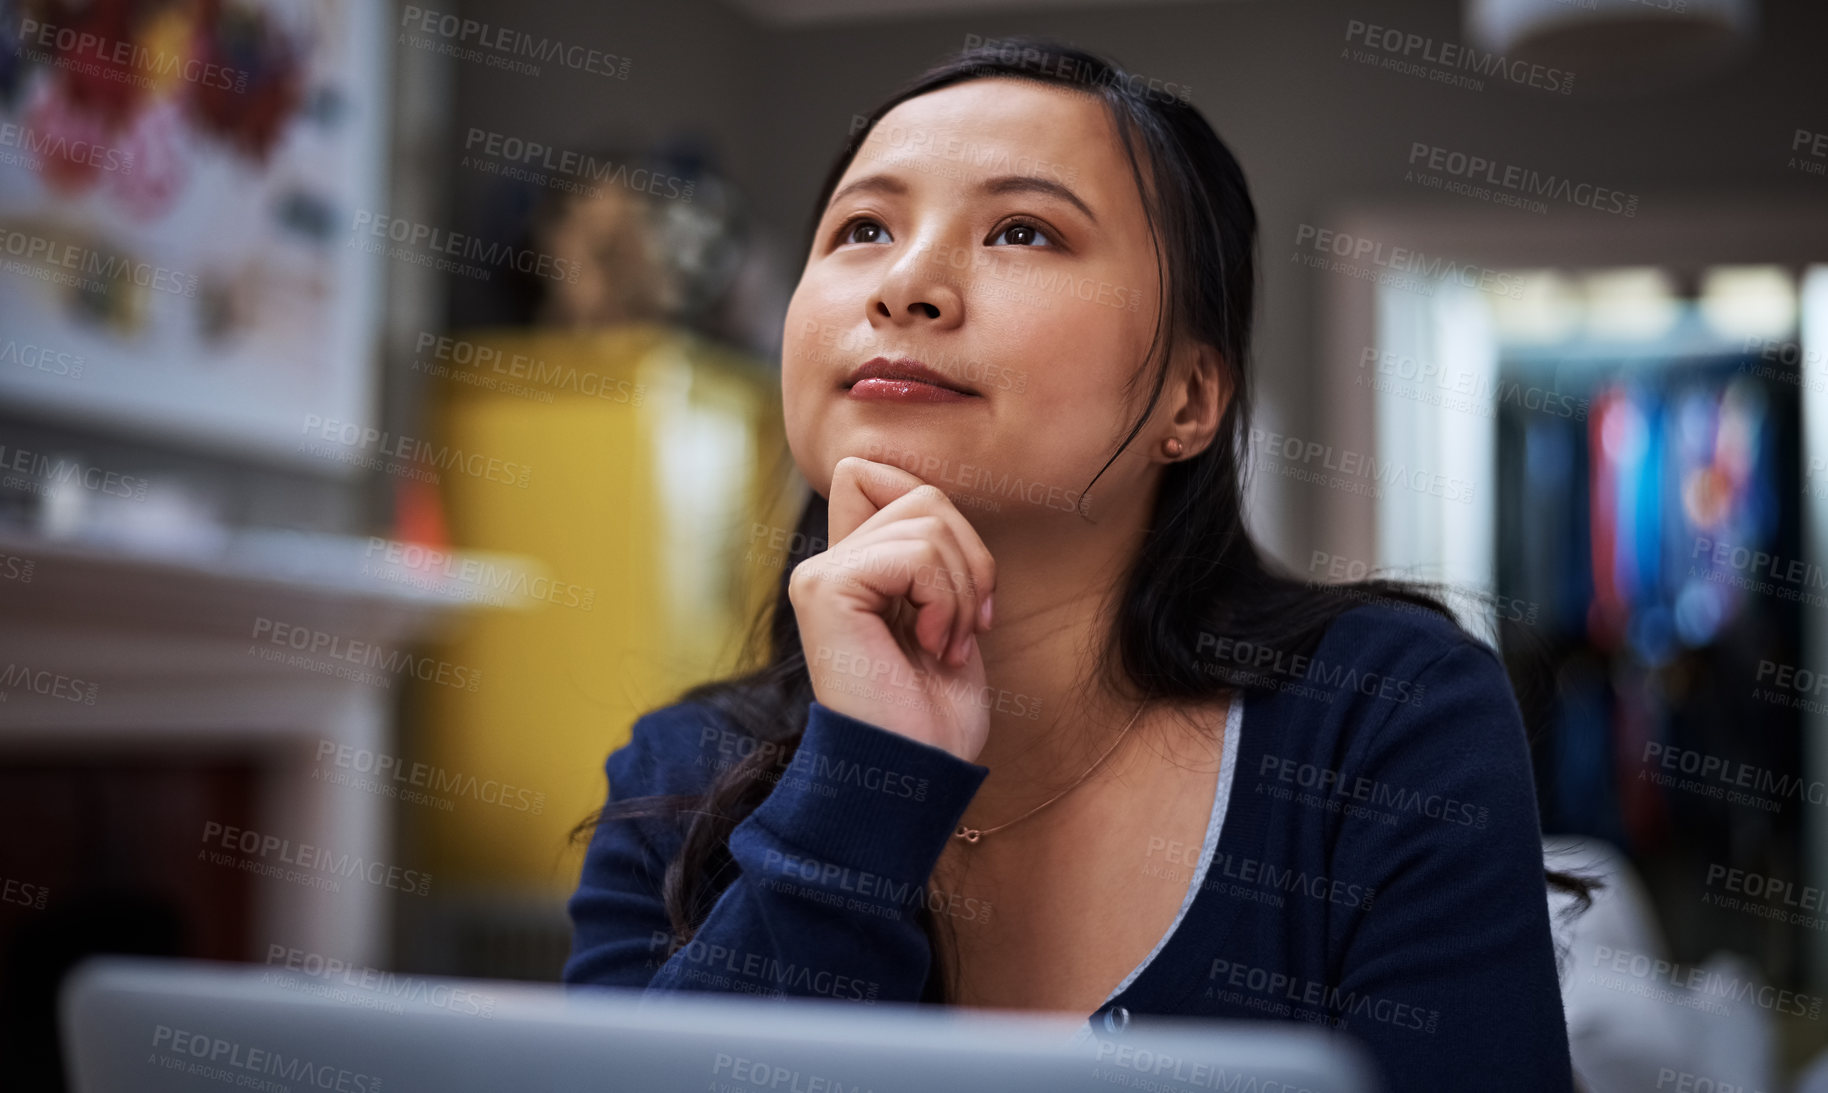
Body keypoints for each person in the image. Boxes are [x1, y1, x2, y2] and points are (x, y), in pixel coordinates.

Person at [563, 36, 1590, 1091]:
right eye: (864, 227)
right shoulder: (677, 775)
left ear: (1189, 400)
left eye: (1022, 231)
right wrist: (864, 782)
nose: (906, 284)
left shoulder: (1382, 716)